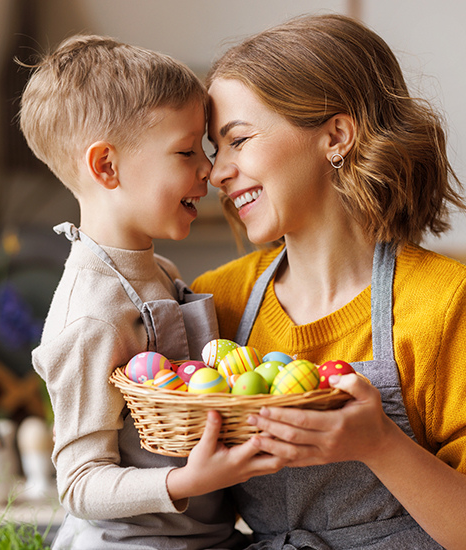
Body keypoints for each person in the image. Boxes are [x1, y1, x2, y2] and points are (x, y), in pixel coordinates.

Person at [192, 14, 466, 550]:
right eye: (216, 151)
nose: (218, 172)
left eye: (238, 140)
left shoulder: (445, 303)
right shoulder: (220, 300)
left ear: (336, 135)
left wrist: (381, 443)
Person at [20, 35, 280, 549]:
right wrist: (186, 481)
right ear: (106, 167)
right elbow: (78, 484)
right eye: (186, 151)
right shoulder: (92, 313)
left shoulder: (156, 269)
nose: (209, 168)